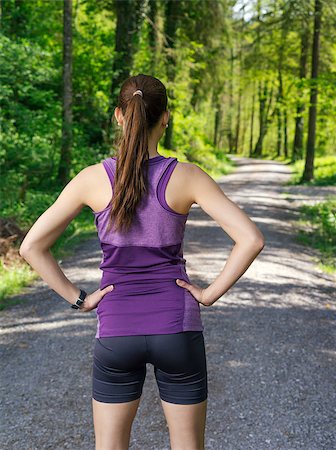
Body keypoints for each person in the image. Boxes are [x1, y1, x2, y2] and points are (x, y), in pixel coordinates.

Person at [19, 73, 265, 450]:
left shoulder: (91, 179)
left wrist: (79, 298)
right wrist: (210, 293)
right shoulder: (187, 176)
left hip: (117, 330)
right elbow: (250, 239)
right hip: (177, 328)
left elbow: (32, 246)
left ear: (120, 115)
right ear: (165, 117)